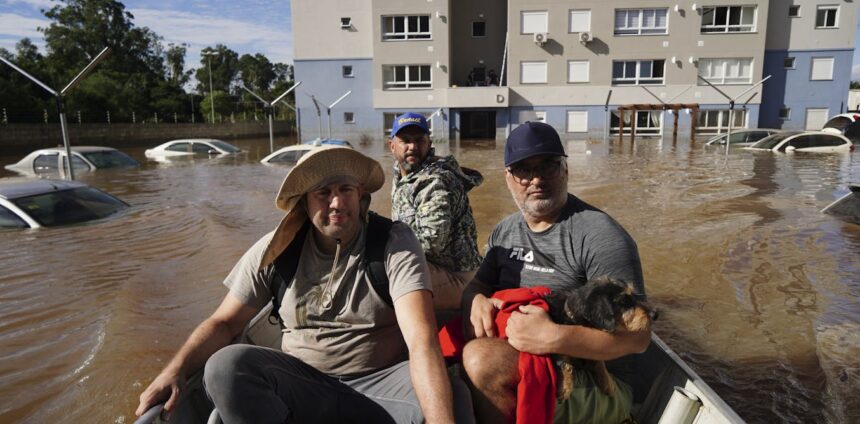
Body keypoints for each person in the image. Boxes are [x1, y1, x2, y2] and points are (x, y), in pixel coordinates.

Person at [136, 146, 471, 423]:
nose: (336, 203)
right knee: (225, 366)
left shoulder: (393, 242)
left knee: (452, 396)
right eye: (323, 193)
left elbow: (422, 341)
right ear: (304, 202)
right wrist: (175, 371)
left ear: (362, 196)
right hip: (303, 387)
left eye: (345, 190)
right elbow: (225, 323)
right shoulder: (278, 250)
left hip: (380, 387)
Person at [460, 122, 649, 424]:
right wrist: (476, 299)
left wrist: (555, 337)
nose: (536, 179)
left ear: (565, 170)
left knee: (480, 361)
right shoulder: (504, 231)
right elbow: (476, 286)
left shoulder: (600, 236)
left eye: (548, 166)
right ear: (508, 178)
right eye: (524, 169)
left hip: (597, 381)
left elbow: (638, 339)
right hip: (522, 358)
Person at [388, 112, 484, 310]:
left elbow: (431, 244)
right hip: (434, 268)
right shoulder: (401, 174)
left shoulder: (435, 181)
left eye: (419, 140)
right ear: (392, 146)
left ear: (429, 144)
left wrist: (384, 249)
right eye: (405, 140)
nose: (412, 146)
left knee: (383, 271)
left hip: (458, 278)